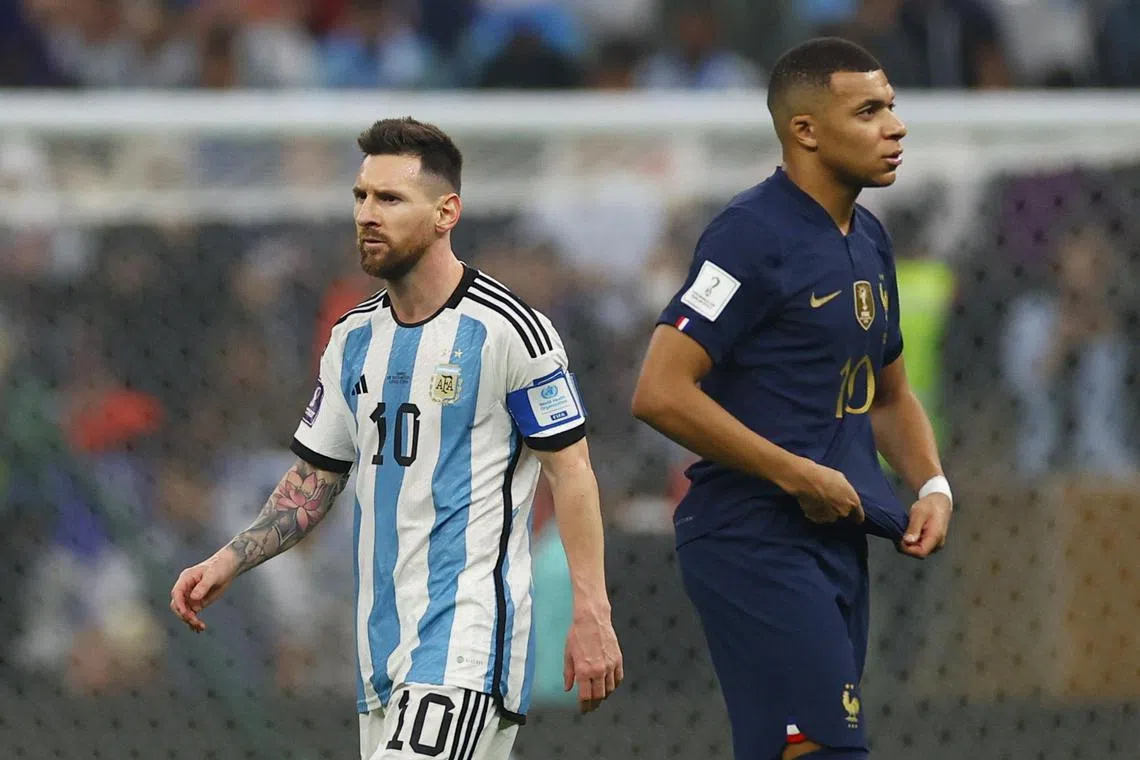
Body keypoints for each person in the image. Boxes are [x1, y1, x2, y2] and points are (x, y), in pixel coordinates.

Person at [170, 117, 623, 760]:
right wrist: (230, 559)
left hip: (467, 635)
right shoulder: (352, 338)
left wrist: (592, 611)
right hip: (381, 648)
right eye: (361, 197)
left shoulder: (509, 330)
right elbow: (316, 478)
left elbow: (571, 471)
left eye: (390, 199)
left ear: (446, 212)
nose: (367, 214)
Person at [630, 38, 953, 760]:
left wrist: (930, 482)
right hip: (752, 536)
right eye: (868, 111)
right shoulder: (750, 235)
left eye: (892, 107)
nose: (895, 126)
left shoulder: (869, 239)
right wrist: (794, 472)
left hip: (836, 540)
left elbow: (890, 394)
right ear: (805, 130)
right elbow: (658, 390)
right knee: (829, 752)